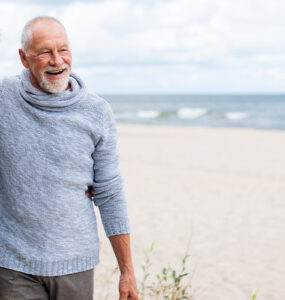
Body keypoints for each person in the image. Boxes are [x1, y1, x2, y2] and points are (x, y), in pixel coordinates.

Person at [0, 16, 138, 300]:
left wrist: (127, 271)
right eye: (44, 52)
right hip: (12, 264)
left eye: (63, 50)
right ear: (24, 58)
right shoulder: (3, 98)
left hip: (75, 263)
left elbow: (109, 193)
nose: (56, 60)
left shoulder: (96, 111)